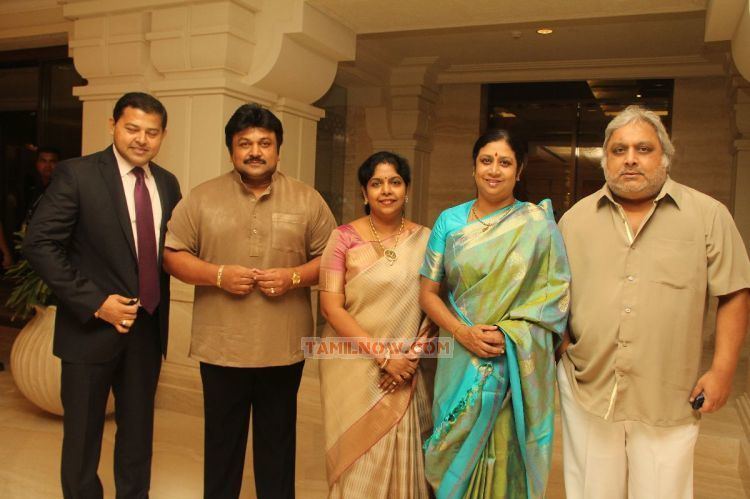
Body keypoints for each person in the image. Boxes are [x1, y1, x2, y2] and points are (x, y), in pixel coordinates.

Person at [557, 105, 750, 499]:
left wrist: (722, 371)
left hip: (669, 391)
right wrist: (562, 348)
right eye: (619, 149)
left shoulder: (707, 215)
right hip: (588, 388)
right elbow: (555, 295)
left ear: (664, 155)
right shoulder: (574, 220)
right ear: (605, 158)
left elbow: (734, 292)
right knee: (591, 491)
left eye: (643, 149)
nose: (630, 159)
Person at [163, 103, 336, 499]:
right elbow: (171, 255)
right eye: (245, 143)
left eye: (264, 142)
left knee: (277, 446)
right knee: (222, 446)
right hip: (222, 347)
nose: (255, 151)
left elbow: (333, 260)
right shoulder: (202, 198)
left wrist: (292, 277)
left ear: (278, 149)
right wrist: (218, 275)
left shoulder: (307, 199)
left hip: (283, 347)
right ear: (231, 150)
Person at [23, 92, 182, 499]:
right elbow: (41, 243)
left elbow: (171, 249)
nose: (141, 140)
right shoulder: (77, 174)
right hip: (90, 329)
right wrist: (95, 301)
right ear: (111, 124)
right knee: (82, 438)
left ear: (163, 135)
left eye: (152, 132)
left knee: (138, 433)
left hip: (146, 328)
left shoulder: (166, 182)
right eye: (132, 129)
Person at [419, 129, 570, 498]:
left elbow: (555, 297)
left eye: (505, 162)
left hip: (513, 360)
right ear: (473, 167)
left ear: (519, 171)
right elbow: (428, 293)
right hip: (459, 357)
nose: (494, 170)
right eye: (486, 160)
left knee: (506, 453)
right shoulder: (449, 222)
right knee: (449, 446)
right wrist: (462, 332)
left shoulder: (538, 225)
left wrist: (511, 334)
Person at [318, 151, 434, 498]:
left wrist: (407, 361)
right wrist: (384, 357)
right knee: (355, 461)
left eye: (395, 182)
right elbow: (330, 307)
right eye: (376, 183)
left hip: (405, 368)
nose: (386, 190)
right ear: (364, 192)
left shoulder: (427, 240)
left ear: (407, 189)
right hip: (351, 365)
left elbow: (434, 304)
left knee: (402, 454)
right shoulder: (342, 239)